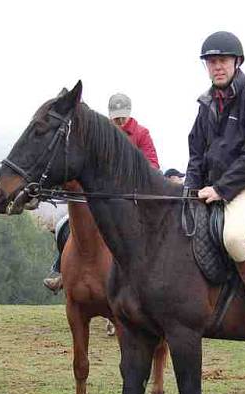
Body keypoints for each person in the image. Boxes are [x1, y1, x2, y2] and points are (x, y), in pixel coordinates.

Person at [185, 31, 245, 350]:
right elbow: (196, 153)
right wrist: (189, 190)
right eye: (211, 62)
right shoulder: (205, 105)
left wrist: (222, 188)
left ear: (236, 62)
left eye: (223, 61)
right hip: (214, 189)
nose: (217, 67)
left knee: (234, 236)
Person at [42, 93, 161, 293]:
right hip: (98, 196)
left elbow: (153, 165)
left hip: (130, 197)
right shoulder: (101, 133)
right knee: (66, 224)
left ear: (129, 114)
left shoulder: (141, 134)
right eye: (116, 118)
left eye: (122, 117)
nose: (120, 121)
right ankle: (63, 270)